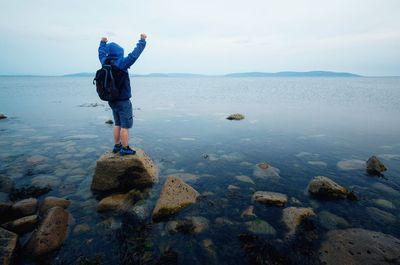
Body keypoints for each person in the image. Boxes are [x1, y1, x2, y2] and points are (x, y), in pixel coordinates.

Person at [98, 34, 147, 155]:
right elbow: (135, 54)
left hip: (111, 99)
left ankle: (117, 146)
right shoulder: (122, 64)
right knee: (125, 125)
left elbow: (101, 53)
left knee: (117, 123)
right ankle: (125, 148)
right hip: (123, 100)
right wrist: (142, 41)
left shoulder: (105, 62)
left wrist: (102, 43)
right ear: (120, 53)